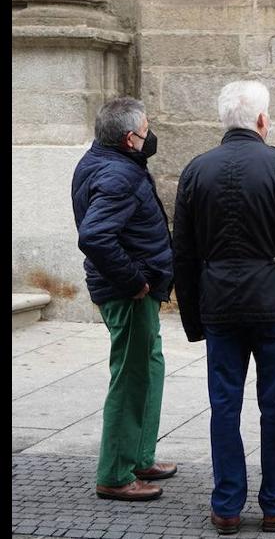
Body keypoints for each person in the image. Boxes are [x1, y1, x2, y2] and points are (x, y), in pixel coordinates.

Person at [173, 81, 275, 535]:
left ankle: (227, 505)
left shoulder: (196, 171)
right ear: (262, 121)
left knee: (224, 406)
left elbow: (184, 251)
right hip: (273, 306)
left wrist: (193, 318)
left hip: (220, 305)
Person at [72, 97, 177, 502]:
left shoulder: (106, 163)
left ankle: (139, 456)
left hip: (134, 289)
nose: (151, 135)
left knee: (148, 366)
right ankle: (115, 473)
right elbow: (95, 235)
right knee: (131, 377)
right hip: (128, 292)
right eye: (147, 129)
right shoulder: (119, 175)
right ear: (131, 138)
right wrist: (134, 281)